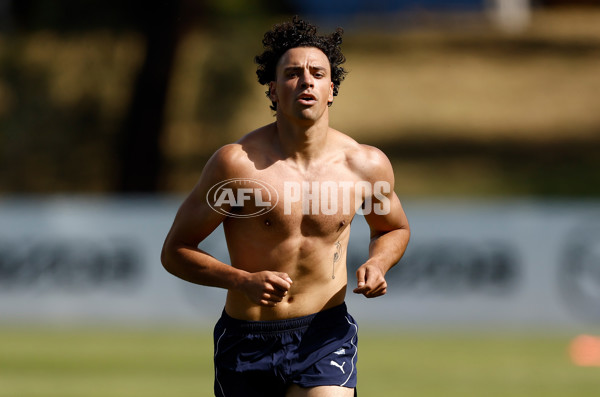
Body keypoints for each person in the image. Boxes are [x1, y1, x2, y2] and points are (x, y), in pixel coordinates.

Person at [161, 16, 410, 397]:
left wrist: (378, 263)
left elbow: (393, 227)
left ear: (331, 89)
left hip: (324, 334)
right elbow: (175, 251)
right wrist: (240, 280)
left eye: (317, 73)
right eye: (293, 73)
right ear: (274, 90)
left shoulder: (364, 166)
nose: (306, 80)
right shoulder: (236, 166)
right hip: (246, 338)